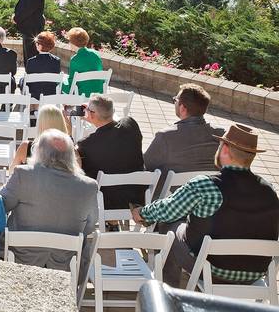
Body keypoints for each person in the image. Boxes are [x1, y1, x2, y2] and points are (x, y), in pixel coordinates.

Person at [132, 124, 279, 287]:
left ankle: (168, 292)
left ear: (224, 149)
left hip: (212, 269)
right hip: (255, 273)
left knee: (169, 225)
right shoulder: (269, 191)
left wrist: (142, 213)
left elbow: (167, 209)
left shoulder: (206, 185)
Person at [1, 130, 98, 274]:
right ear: (71, 156)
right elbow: (89, 225)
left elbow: (1, 206)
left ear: (39, 152)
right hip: (65, 265)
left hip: (20, 260)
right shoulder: (89, 186)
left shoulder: (23, 174)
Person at [77, 95, 145, 209]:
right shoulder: (131, 124)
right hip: (138, 197)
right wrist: (92, 114)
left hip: (109, 202)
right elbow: (117, 124)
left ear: (92, 114)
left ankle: (111, 222)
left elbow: (75, 158)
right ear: (112, 111)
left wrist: (69, 126)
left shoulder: (87, 145)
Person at [144, 84, 225, 178]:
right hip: (206, 190)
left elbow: (146, 165)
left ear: (182, 108)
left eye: (175, 100)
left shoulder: (166, 136)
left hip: (170, 192)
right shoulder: (220, 134)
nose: (174, 103)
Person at [13, 0, 46, 64]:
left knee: (31, 54)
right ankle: (30, 73)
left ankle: (31, 75)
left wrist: (16, 18)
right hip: (29, 28)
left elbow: (29, 9)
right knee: (28, 54)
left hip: (32, 28)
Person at [61, 28, 104, 96]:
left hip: (82, 94)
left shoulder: (75, 59)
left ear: (72, 43)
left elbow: (71, 85)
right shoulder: (96, 54)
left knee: (59, 82)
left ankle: (67, 106)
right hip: (98, 92)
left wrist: (61, 80)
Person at [20, 31, 61, 100]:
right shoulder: (56, 60)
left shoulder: (31, 61)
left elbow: (28, 80)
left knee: (22, 80)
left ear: (39, 46)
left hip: (34, 93)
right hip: (51, 92)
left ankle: (32, 107)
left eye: (36, 43)